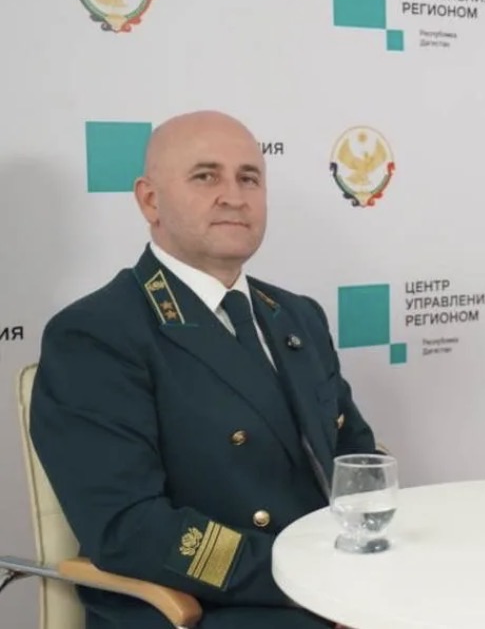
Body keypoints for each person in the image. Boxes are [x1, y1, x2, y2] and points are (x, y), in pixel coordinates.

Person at [30, 110, 377, 629]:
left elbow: (357, 459)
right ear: (150, 200)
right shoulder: (96, 334)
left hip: (329, 585)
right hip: (206, 607)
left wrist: (375, 556)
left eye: (249, 178)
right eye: (205, 176)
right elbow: (130, 529)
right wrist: (307, 576)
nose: (233, 196)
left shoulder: (298, 316)